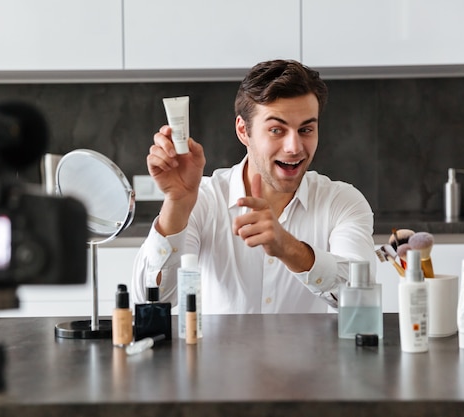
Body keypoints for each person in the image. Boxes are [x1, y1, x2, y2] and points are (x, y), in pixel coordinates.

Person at [132, 59, 375, 313]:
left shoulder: (343, 202)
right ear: (243, 131)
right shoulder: (204, 200)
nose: (294, 147)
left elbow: (361, 298)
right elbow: (151, 301)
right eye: (276, 130)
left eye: (305, 129)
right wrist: (177, 204)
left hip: (311, 355)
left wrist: (289, 248)